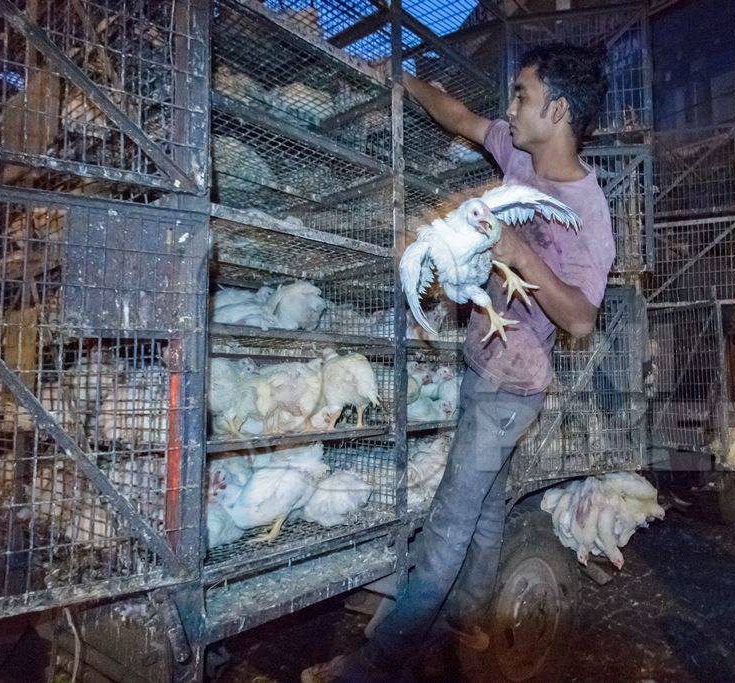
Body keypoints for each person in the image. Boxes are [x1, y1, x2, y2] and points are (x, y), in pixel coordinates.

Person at [303, 44, 613, 682]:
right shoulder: (518, 154)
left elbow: (581, 317)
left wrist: (521, 253)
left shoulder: (587, 210)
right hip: (483, 364)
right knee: (487, 504)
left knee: (450, 521)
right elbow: (462, 118)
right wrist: (408, 82)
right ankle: (471, 618)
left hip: (512, 385)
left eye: (522, 95)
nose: (510, 106)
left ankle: (376, 666)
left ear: (557, 110)